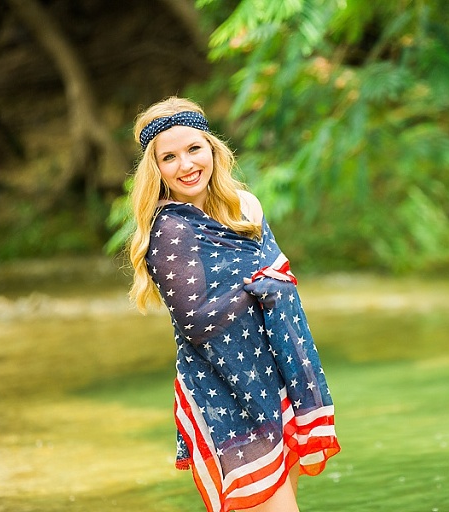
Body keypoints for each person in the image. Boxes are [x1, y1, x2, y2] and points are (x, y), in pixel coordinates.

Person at [127, 96, 340, 512]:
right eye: (169, 157)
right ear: (156, 170)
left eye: (193, 149)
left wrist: (269, 285)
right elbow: (195, 322)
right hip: (228, 391)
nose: (186, 165)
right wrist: (257, 287)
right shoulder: (171, 230)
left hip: (277, 379)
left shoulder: (243, 208)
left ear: (212, 148)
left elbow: (279, 276)